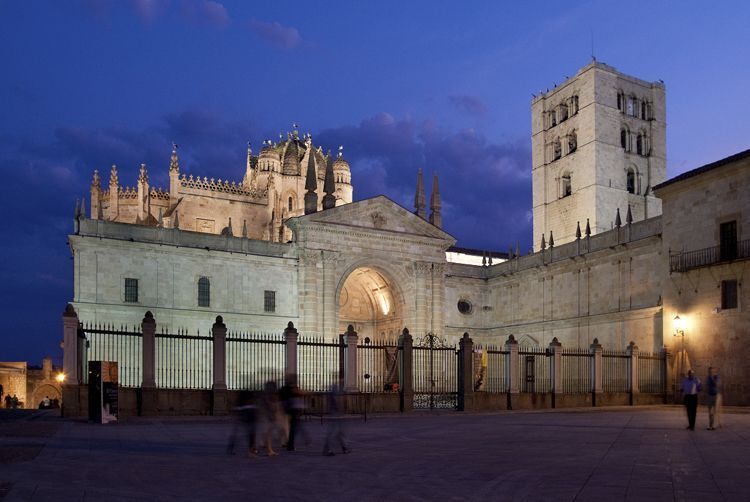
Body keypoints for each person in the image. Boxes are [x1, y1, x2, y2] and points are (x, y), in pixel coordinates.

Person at [323, 380, 350, 456]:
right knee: (334, 432)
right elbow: (338, 401)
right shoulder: (336, 389)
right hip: (336, 414)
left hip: (336, 413)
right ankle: (328, 449)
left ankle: (344, 447)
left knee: (340, 432)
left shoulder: (336, 389)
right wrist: (340, 409)